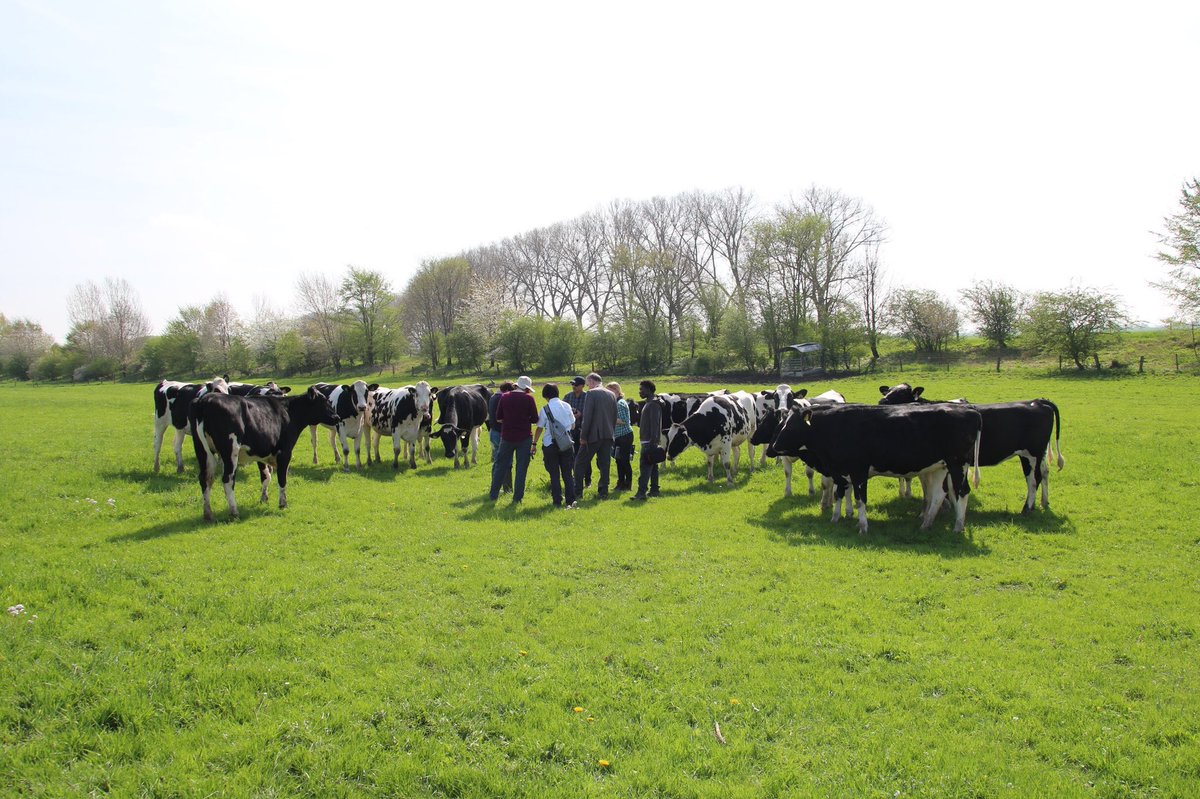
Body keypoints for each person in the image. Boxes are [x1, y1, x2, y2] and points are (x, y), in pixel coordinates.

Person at [490, 375, 539, 505]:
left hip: (506, 437)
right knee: (521, 468)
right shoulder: (529, 399)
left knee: (500, 466)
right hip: (524, 437)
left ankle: (493, 495)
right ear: (527, 388)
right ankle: (517, 498)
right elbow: (535, 419)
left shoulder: (504, 397)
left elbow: (498, 418)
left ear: (516, 385)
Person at [531, 382, 576, 508]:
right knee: (567, 473)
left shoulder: (545, 409)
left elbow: (539, 428)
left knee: (554, 474)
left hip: (550, 444)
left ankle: (557, 500)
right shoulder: (567, 406)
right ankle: (570, 500)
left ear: (545, 395)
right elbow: (573, 425)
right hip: (566, 444)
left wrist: (534, 443)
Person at [574, 372, 616, 500]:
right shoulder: (612, 394)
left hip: (593, 435)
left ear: (592, 381)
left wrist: (583, 436)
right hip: (608, 434)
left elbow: (587, 416)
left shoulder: (592, 394)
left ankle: (577, 492)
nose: (587, 387)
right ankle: (603, 492)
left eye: (588, 384)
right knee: (605, 464)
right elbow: (614, 416)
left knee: (579, 463)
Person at [632, 380, 662, 500]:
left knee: (645, 467)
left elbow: (655, 424)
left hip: (649, 441)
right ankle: (654, 490)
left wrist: (652, 441)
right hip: (650, 441)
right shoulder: (649, 403)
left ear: (649, 390)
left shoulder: (653, 405)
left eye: (641, 389)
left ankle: (641, 493)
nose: (640, 392)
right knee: (653, 466)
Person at [487, 381, 515, 493]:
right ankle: (507, 488)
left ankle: (495, 486)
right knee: (506, 461)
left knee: (497, 460)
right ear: (507, 390)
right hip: (501, 432)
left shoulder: (493, 397)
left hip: (493, 431)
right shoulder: (502, 398)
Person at [607, 381, 635, 491]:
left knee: (624, 460)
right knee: (618, 460)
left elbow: (624, 421)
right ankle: (620, 482)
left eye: (611, 391)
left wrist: (608, 419)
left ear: (617, 391)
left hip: (625, 435)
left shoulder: (620, 403)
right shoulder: (615, 403)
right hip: (618, 436)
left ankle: (627, 484)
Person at [563, 375, 590, 487]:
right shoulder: (567, 397)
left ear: (582, 386)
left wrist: (581, 414)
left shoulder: (588, 397)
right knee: (572, 456)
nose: (573, 386)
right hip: (571, 430)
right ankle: (575, 479)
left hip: (584, 430)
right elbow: (563, 411)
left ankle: (587, 480)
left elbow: (591, 413)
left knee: (584, 456)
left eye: (576, 384)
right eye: (572, 384)